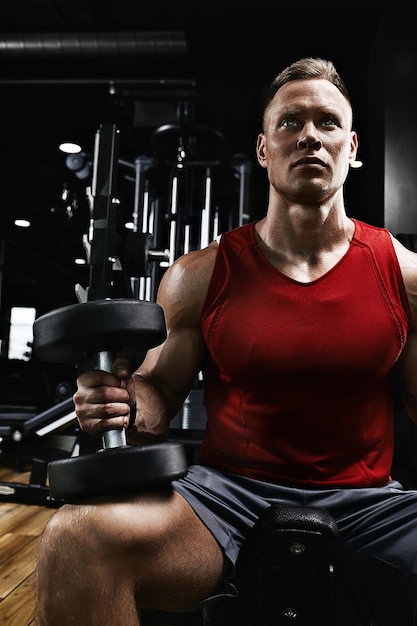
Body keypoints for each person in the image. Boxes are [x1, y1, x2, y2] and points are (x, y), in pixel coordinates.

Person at [35, 56, 417, 625]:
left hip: (371, 505)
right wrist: (127, 400)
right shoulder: (199, 275)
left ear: (353, 147)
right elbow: (160, 391)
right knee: (77, 540)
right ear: (264, 150)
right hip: (224, 499)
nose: (310, 135)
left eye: (327, 123)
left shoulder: (403, 275)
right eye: (290, 123)